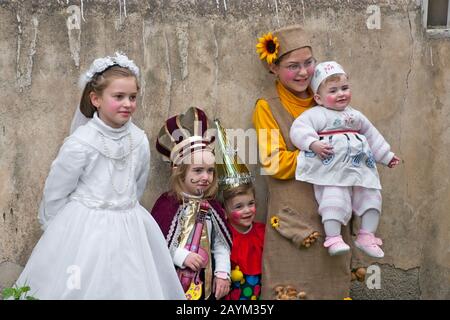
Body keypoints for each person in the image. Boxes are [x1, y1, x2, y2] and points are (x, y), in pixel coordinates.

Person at [14, 52, 185, 299]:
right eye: (118, 97)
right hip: (85, 230)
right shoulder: (81, 143)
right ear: (96, 98)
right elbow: (56, 190)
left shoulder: (137, 140)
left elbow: (137, 184)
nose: (128, 103)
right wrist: (60, 234)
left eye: (133, 97)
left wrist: (123, 210)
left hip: (129, 227)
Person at [253, 25, 352, 299]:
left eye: (309, 63)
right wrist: (323, 154)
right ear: (274, 68)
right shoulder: (268, 107)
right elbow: (273, 162)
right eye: (292, 66)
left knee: (331, 289)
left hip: (331, 217)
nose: (303, 72)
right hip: (292, 223)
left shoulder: (329, 99)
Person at [290, 61, 400, 258]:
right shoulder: (317, 114)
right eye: (333, 90)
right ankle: (333, 238)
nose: (341, 93)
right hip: (332, 170)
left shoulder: (355, 116)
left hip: (360, 170)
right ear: (319, 98)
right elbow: (298, 130)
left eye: (344, 88)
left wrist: (387, 155)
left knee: (372, 197)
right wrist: (313, 143)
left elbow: (372, 135)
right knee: (334, 201)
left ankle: (366, 235)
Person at [151, 107, 232, 300]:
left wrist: (222, 274)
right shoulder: (167, 205)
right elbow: (156, 244)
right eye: (198, 170)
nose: (206, 177)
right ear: (180, 173)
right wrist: (181, 256)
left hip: (204, 284)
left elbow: (221, 244)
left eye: (210, 171)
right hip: (172, 282)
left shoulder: (213, 208)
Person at [214, 119, 265, 300]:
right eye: (238, 206)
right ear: (224, 210)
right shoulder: (224, 237)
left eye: (251, 204)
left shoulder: (262, 232)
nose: (247, 210)